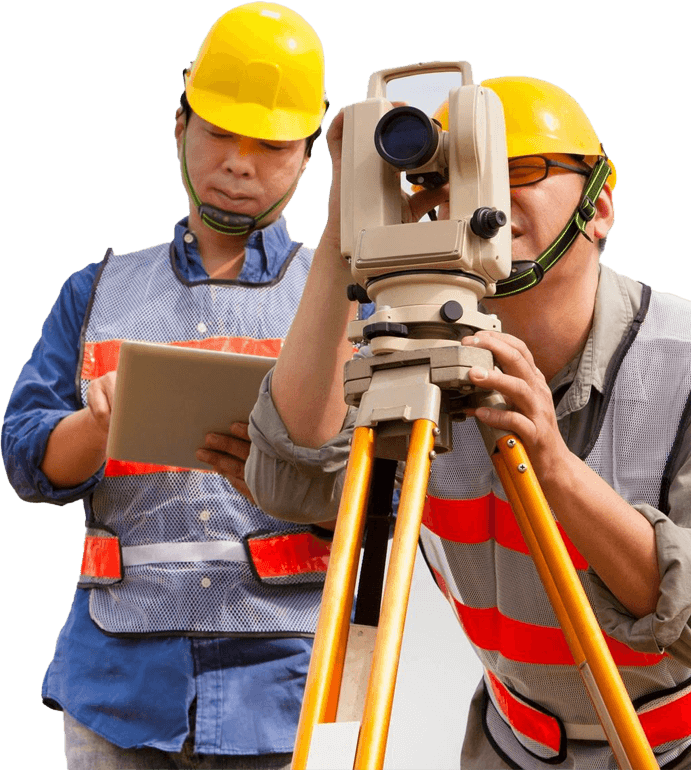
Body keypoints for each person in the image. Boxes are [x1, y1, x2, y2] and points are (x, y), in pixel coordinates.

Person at [244, 73, 691, 768]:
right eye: (440, 181)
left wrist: (554, 467)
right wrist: (345, 232)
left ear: (600, 208)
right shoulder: (410, 364)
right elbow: (290, 483)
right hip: (523, 741)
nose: (476, 194)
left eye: (518, 169)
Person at [2, 3, 335, 767]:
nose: (239, 163)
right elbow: (24, 458)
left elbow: (396, 491)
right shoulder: (96, 292)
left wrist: (297, 465)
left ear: (308, 155)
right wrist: (94, 429)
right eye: (220, 131)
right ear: (180, 126)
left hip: (288, 683)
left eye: (270, 144)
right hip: (118, 683)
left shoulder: (346, 299)